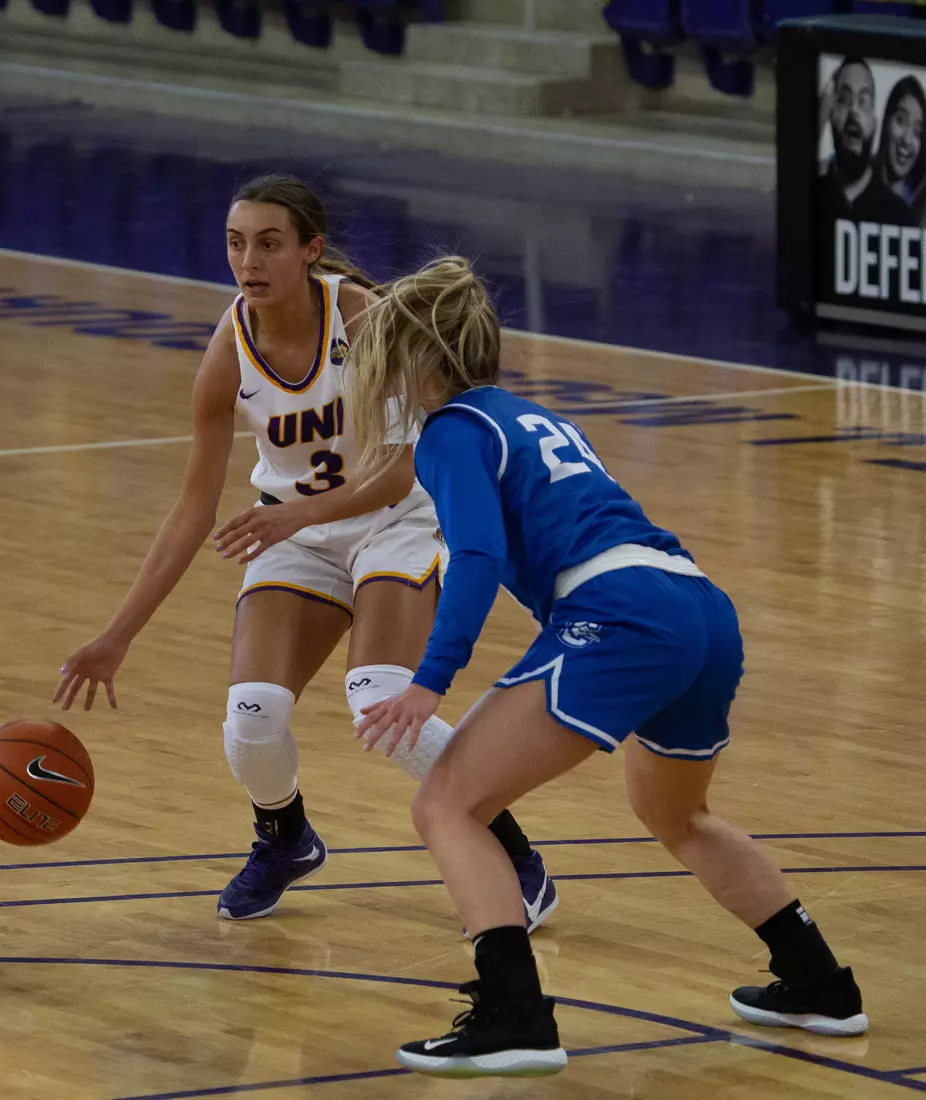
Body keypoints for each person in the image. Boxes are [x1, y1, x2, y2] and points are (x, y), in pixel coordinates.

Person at [347, 257, 868, 1079]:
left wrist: (429, 680)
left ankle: (514, 1015)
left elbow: (477, 558)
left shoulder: (449, 431)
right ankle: (818, 981)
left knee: (447, 802)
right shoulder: (525, 416)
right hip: (696, 604)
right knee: (678, 816)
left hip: (620, 611)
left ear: (418, 360)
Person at [54, 175, 555, 927]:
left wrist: (301, 514)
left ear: (309, 251)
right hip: (296, 532)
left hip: (395, 522)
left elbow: (407, 462)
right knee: (250, 716)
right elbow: (192, 508)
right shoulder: (228, 352)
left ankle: (511, 849)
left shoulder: (365, 318)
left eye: (267, 243)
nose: (247, 260)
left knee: (376, 695)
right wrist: (115, 636)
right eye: (234, 243)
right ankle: (284, 838)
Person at [818, 56, 911, 226]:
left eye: (863, 101)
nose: (853, 110)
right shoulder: (810, 195)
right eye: (843, 99)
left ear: (875, 123)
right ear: (830, 116)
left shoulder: (899, 215)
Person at [878, 74, 926, 208]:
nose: (907, 139)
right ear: (887, 120)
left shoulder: (921, 204)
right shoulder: (860, 180)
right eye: (901, 120)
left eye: (917, 131)